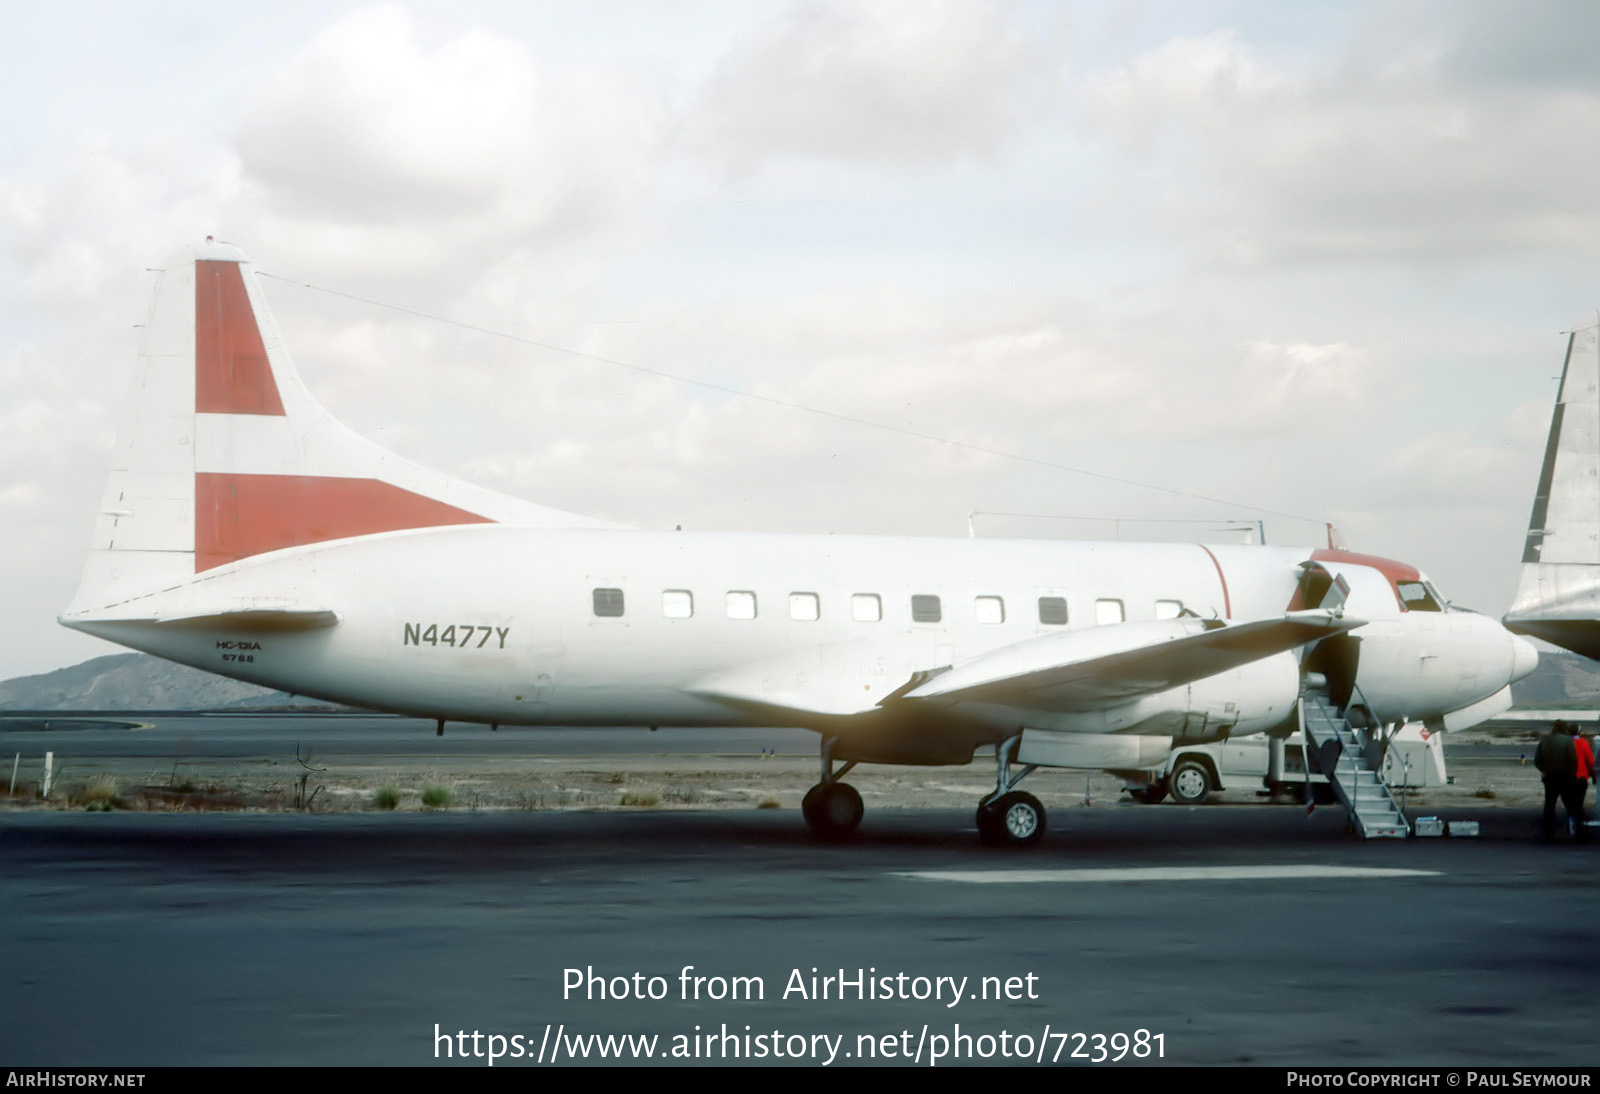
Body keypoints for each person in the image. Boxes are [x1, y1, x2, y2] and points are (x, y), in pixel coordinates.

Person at [1535, 721, 1578, 840]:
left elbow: (1537, 760)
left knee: (1549, 805)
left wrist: (1544, 770)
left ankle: (1548, 832)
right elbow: (1573, 760)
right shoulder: (1568, 741)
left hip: (1549, 777)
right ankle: (1575, 829)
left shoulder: (1545, 740)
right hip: (1565, 777)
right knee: (1570, 804)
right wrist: (1572, 775)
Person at [1566, 724, 1594, 839]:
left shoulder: (1566, 743)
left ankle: (1572, 824)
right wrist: (1594, 775)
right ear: (1579, 732)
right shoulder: (1583, 743)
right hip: (1581, 777)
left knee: (1571, 802)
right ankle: (1578, 826)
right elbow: (1590, 760)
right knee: (1579, 802)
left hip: (1568, 777)